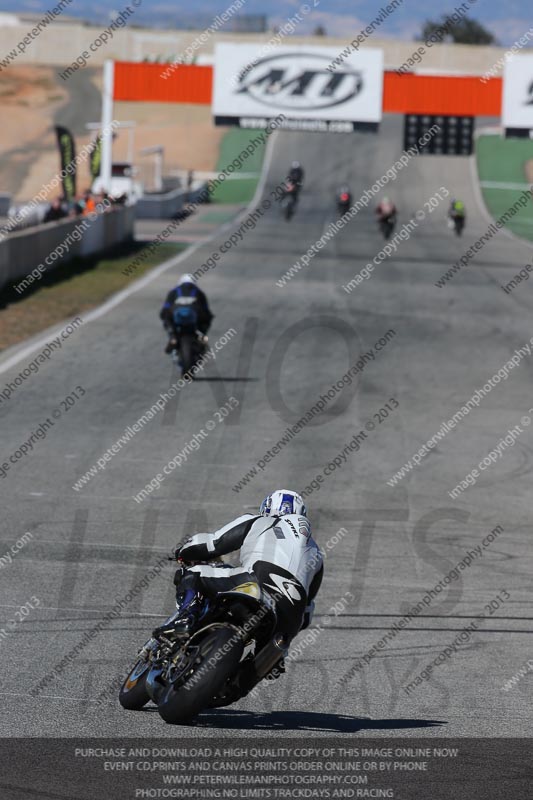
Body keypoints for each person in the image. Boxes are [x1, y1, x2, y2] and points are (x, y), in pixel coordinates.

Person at [156, 490, 324, 689]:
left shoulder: (258, 521)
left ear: (267, 508)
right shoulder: (316, 553)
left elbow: (213, 544)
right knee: (270, 658)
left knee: (195, 572)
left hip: (257, 580)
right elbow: (307, 612)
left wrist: (183, 551)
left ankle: (187, 616)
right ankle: (267, 663)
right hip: (290, 614)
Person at [159, 274, 213, 354]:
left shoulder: (174, 291)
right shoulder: (199, 291)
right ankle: (202, 337)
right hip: (195, 320)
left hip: (178, 320)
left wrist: (165, 317)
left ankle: (173, 337)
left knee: (166, 316)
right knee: (206, 317)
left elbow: (165, 309)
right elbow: (206, 310)